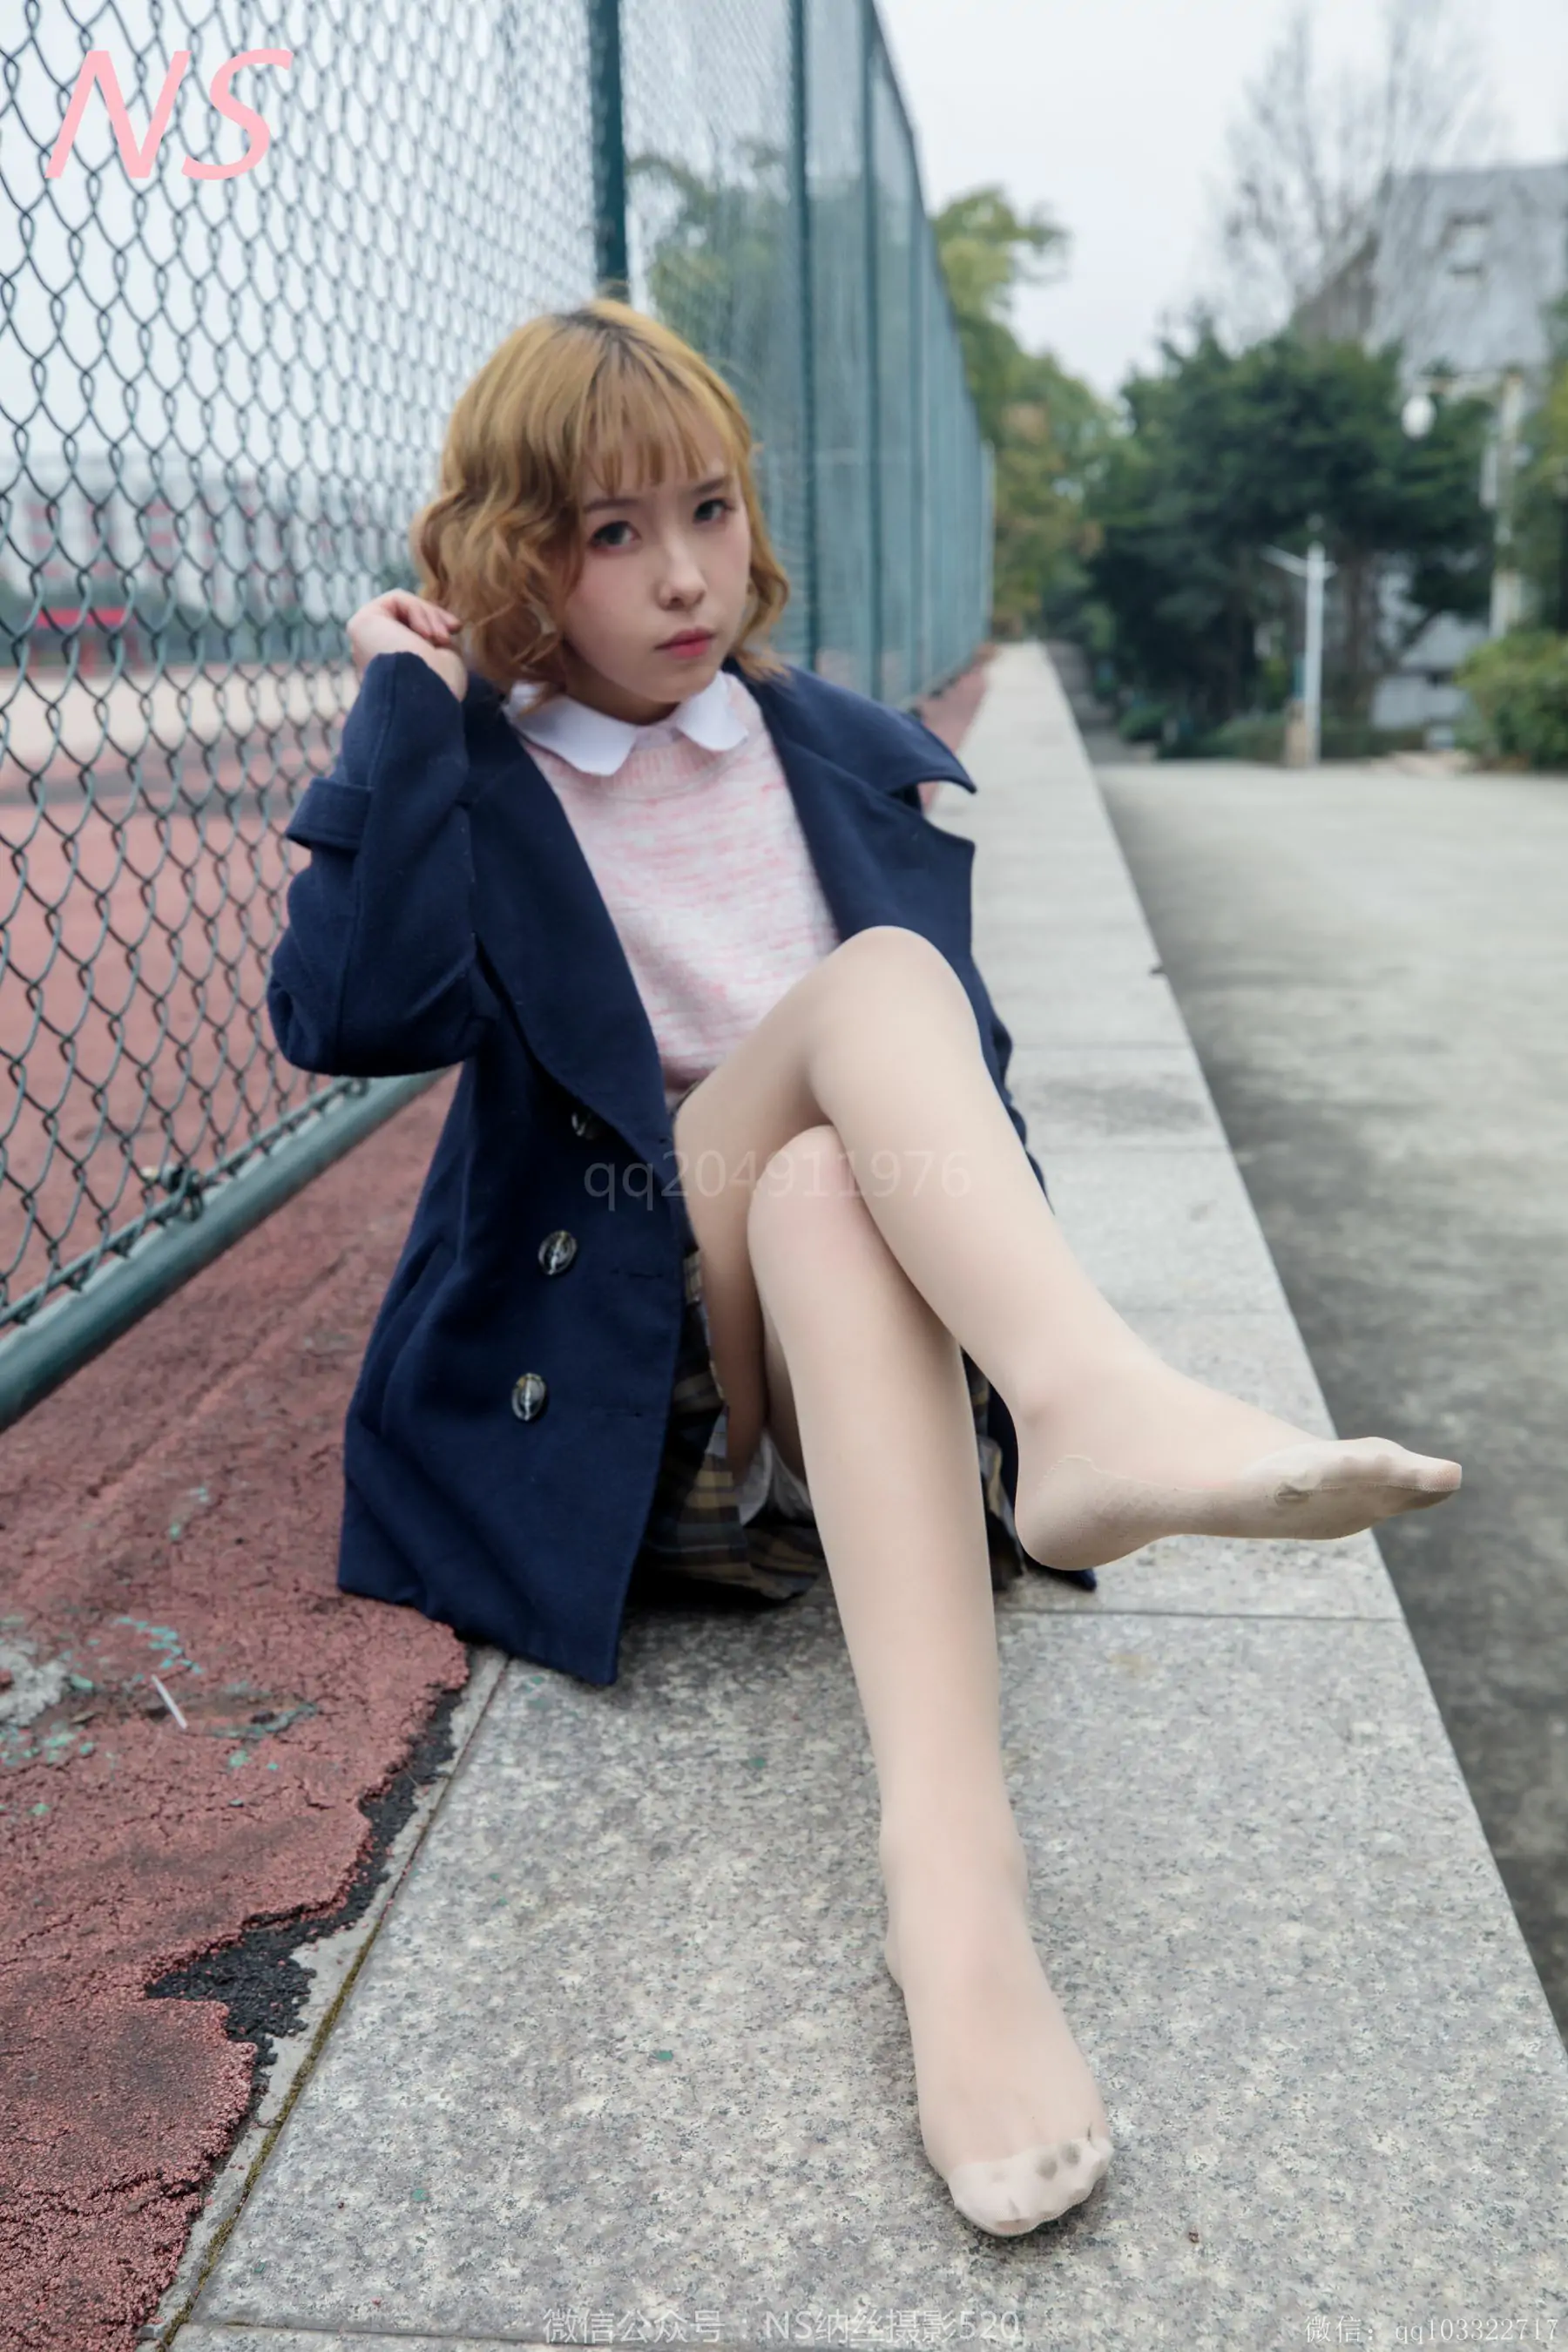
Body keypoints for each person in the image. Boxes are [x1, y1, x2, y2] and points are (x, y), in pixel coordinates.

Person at [267, 298, 1462, 2241]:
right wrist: (406, 710)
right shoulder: (483, 778)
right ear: (515, 558)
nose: (682, 575)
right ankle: (1083, 1406)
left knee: (834, 1180)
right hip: (641, 1358)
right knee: (874, 991)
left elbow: (945, 1125)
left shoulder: (824, 751)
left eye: (707, 510)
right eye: (610, 533)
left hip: (842, 1336)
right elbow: (352, 1017)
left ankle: (959, 1909)